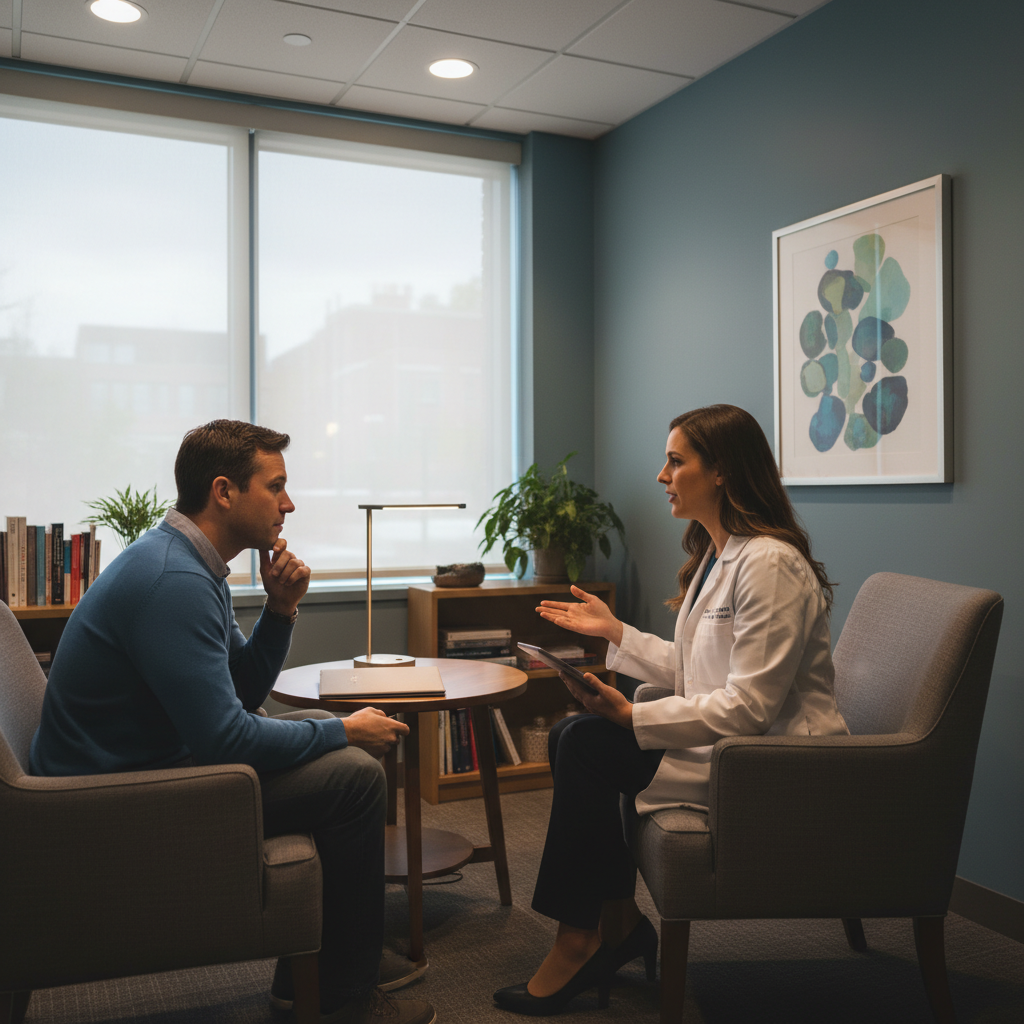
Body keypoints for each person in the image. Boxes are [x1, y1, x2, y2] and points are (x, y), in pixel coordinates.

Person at [30, 419, 435, 1024]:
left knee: (332, 751)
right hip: (109, 804)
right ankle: (343, 1001)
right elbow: (226, 737)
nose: (289, 504)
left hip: (140, 772)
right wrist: (342, 729)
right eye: (275, 487)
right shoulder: (173, 582)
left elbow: (240, 694)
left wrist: (280, 611)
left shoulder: (188, 565)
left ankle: (325, 968)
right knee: (352, 776)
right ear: (224, 491)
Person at [493, 404, 848, 1016]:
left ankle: (583, 937)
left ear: (722, 473)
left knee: (583, 741)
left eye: (676, 461)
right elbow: (696, 670)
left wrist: (633, 718)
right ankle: (616, 919)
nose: (662, 475)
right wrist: (615, 633)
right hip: (728, 746)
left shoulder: (769, 565)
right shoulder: (720, 555)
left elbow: (750, 706)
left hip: (772, 764)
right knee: (570, 737)